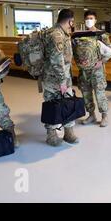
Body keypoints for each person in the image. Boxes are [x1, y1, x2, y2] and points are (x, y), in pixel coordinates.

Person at [42, 9, 79, 146]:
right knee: (52, 105)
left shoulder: (61, 33)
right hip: (54, 78)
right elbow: (57, 60)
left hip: (63, 76)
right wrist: (62, 81)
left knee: (68, 102)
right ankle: (51, 135)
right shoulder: (56, 35)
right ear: (70, 21)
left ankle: (68, 133)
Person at [73, 10, 111, 127]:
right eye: (87, 18)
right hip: (84, 71)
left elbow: (110, 51)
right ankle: (91, 115)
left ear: (95, 20)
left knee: (100, 93)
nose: (89, 20)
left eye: (91, 18)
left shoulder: (101, 34)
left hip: (97, 70)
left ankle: (104, 116)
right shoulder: (79, 35)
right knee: (86, 93)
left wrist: (102, 61)